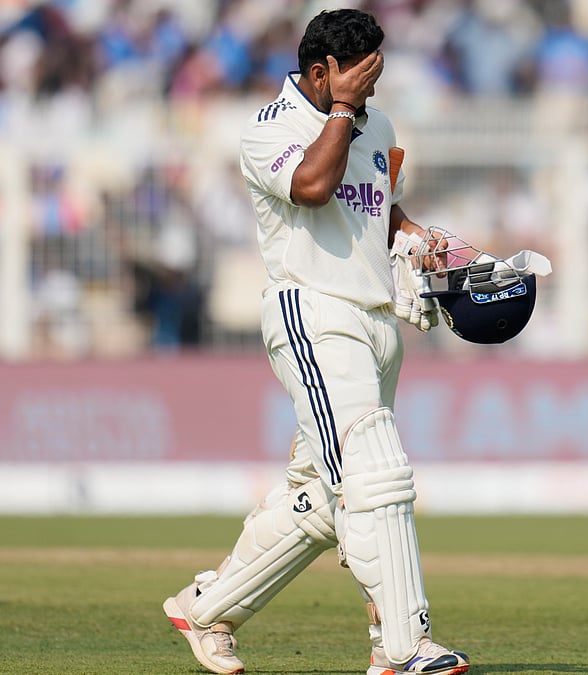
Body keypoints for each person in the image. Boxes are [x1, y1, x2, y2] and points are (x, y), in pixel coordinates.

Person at [162, 10, 470, 675]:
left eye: (377, 72)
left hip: (378, 321)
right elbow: (311, 187)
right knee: (374, 475)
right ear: (321, 72)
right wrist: (343, 111)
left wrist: (418, 239)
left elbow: (378, 209)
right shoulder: (269, 128)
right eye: (360, 74)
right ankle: (401, 647)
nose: (372, 86)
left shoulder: (377, 126)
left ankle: (206, 608)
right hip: (314, 315)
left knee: (323, 501)